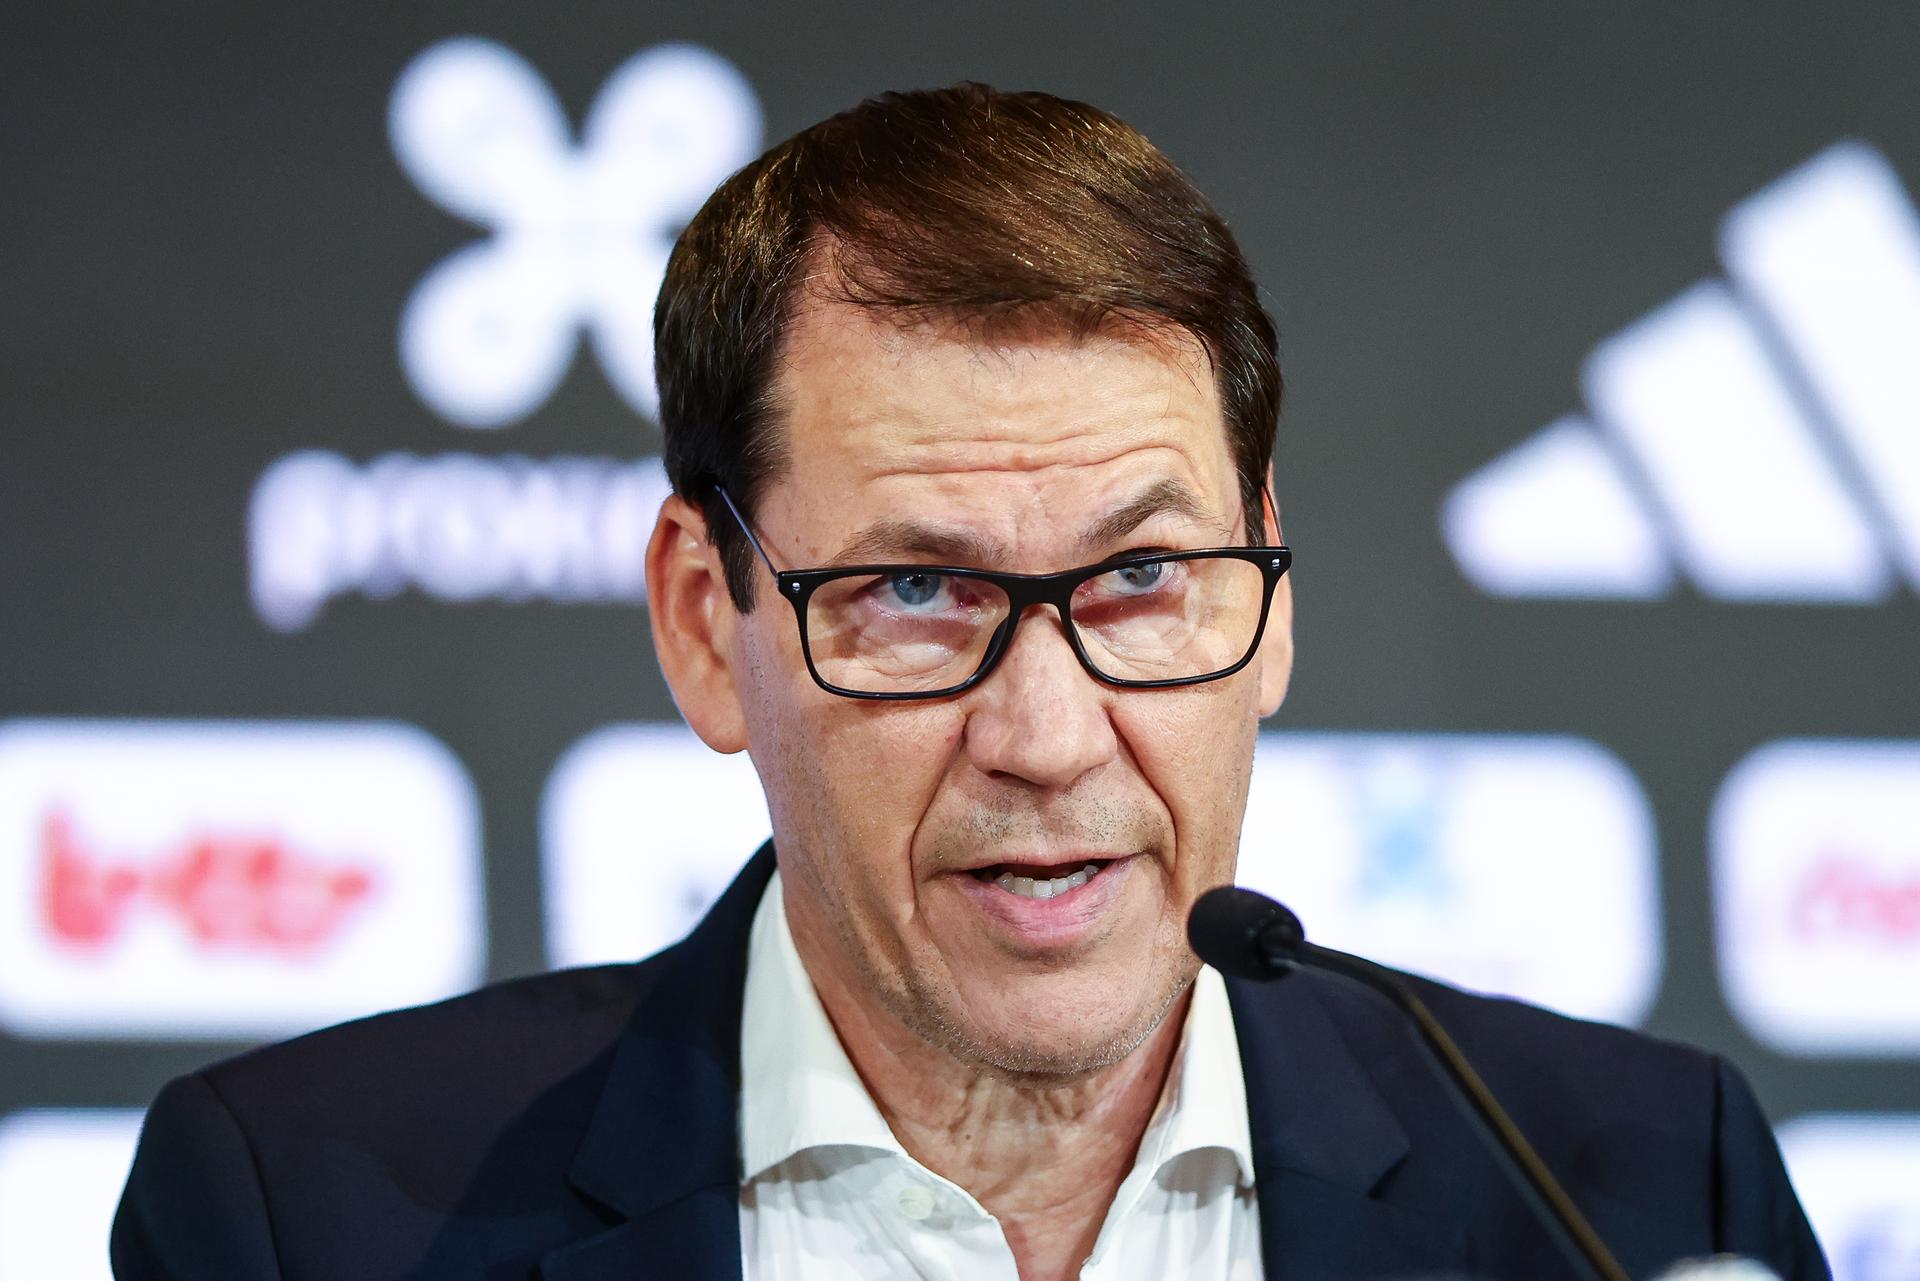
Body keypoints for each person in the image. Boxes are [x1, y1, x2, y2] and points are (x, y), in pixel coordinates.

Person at [111, 84, 1827, 1281]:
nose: (1048, 734)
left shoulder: (1626, 1189)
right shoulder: (300, 1215)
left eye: (1144, 578)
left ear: (1274, 590)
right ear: (710, 624)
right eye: (919, 592)